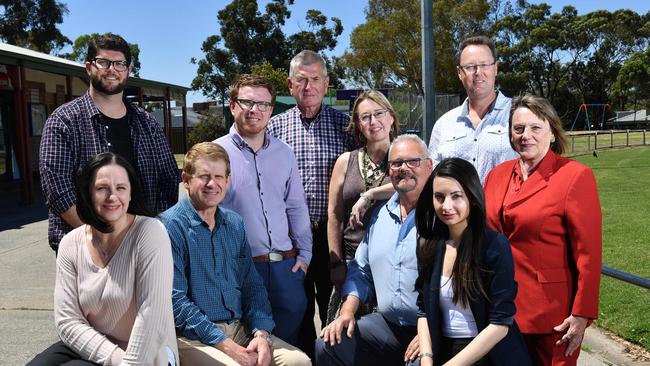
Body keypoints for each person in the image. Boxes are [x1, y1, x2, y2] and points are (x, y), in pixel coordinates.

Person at [160, 142, 311, 366]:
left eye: (219, 177)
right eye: (204, 176)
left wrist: (261, 334)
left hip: (241, 329)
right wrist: (227, 346)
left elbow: (252, 285)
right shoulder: (168, 226)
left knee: (297, 361)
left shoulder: (234, 223)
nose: (212, 184)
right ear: (186, 179)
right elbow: (176, 301)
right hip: (193, 336)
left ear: (228, 180)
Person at [484, 94, 602, 365]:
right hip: (500, 311)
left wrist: (582, 314)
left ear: (551, 131)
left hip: (552, 317)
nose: (526, 135)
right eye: (518, 129)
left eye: (535, 127)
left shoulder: (574, 176)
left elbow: (589, 254)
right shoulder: (496, 175)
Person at [29, 152, 178, 365]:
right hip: (95, 346)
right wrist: (116, 359)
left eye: (121, 188)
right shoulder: (71, 243)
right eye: (102, 188)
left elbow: (152, 314)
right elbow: (67, 320)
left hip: (149, 354)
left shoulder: (150, 232)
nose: (112, 197)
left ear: (130, 193)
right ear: (88, 193)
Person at [39, 33, 179, 253]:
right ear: (88, 67)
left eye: (119, 63)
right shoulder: (63, 121)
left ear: (128, 71)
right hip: (85, 249)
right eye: (103, 62)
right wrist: (100, 238)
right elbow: (58, 190)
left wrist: (153, 232)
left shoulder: (147, 123)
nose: (111, 69)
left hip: (142, 247)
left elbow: (168, 181)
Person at [315, 135, 433, 366]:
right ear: (389, 171)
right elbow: (361, 270)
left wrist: (431, 331)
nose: (403, 168)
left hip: (431, 328)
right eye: (396, 163)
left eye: (412, 161)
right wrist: (347, 311)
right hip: (388, 325)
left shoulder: (442, 216)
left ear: (429, 166)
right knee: (328, 344)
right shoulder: (380, 216)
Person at [268, 50, 355, 355]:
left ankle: (330, 358)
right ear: (290, 85)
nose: (308, 87)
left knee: (332, 305)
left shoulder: (345, 127)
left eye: (315, 79)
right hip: (289, 239)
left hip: (331, 236)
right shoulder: (275, 127)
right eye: (301, 81)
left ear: (326, 82)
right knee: (296, 309)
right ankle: (302, 358)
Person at [215, 74, 312, 345]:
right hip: (240, 270)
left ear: (271, 109)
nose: (254, 109)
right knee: (248, 343)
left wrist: (304, 255)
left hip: (286, 267)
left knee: (288, 344)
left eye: (263, 104)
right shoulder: (215, 153)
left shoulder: (284, 153)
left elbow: (295, 205)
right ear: (233, 106)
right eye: (247, 102)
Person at [414, 157, 531, 365]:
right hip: (443, 349)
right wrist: (426, 357)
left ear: (473, 198)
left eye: (456, 196)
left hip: (489, 354)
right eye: (439, 197)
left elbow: (500, 323)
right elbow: (423, 309)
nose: (446, 206)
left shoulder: (494, 246)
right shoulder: (428, 245)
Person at [325, 90, 400, 323]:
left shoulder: (404, 155)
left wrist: (370, 194)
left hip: (393, 262)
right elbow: (335, 216)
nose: (373, 121)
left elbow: (417, 184)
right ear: (357, 124)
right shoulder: (346, 161)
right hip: (351, 260)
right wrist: (336, 263)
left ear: (391, 117)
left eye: (379, 113)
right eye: (365, 117)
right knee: (344, 336)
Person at [427, 35, 517, 184]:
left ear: (495, 68)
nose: (478, 72)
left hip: (507, 207)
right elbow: (433, 177)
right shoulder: (444, 124)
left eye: (485, 65)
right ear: (459, 73)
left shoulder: (518, 115)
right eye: (470, 67)